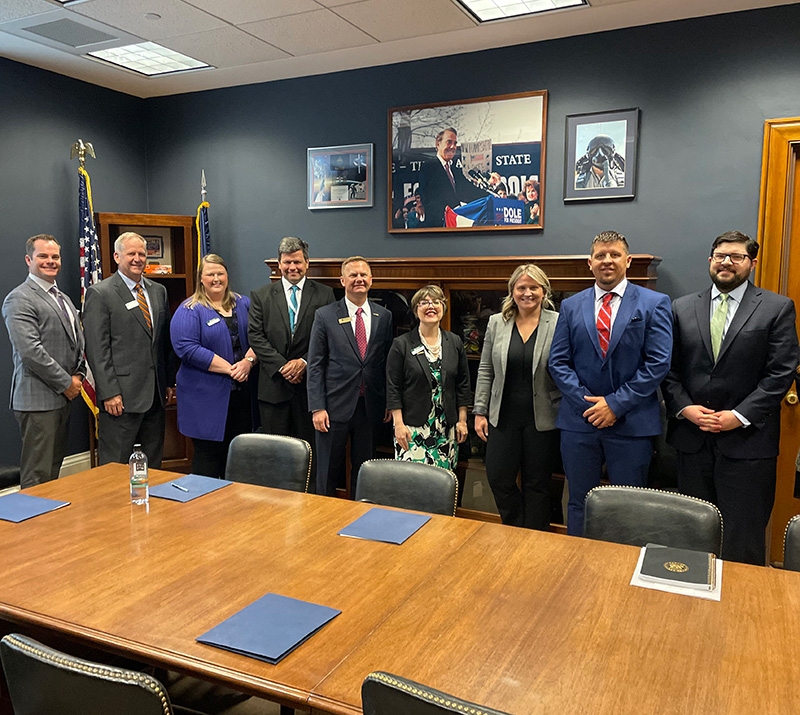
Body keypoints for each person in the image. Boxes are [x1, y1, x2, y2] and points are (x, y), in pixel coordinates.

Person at [661, 231, 799, 565]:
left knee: (742, 538)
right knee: (691, 536)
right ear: (710, 261)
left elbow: (781, 372)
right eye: (721, 255)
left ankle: (739, 611)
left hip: (748, 446)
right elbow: (668, 369)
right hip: (692, 442)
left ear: (751, 263)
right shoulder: (681, 307)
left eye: (736, 257)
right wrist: (685, 409)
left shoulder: (776, 308)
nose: (727, 262)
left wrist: (737, 416)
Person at [548, 230, 673, 535]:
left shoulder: (654, 303)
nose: (608, 261)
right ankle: (578, 560)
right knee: (579, 501)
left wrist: (615, 405)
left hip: (632, 424)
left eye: (615, 255)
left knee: (627, 505)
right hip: (580, 421)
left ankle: (621, 572)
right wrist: (589, 404)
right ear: (589, 263)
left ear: (627, 261)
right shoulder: (571, 306)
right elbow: (558, 362)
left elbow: (658, 363)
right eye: (601, 256)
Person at [473, 265, 561, 530]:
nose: (527, 293)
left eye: (533, 287)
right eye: (521, 287)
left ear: (543, 290)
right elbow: (486, 368)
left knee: (538, 484)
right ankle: (515, 527)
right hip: (503, 416)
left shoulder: (557, 323)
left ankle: (535, 536)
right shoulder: (496, 322)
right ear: (512, 291)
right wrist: (480, 410)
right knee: (499, 477)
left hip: (543, 419)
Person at [83, 232, 174, 467]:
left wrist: (167, 383)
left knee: (153, 463)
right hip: (120, 398)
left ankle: (152, 503)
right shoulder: (101, 293)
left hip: (154, 396)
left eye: (142, 254)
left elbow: (162, 342)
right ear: (116, 256)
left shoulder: (157, 291)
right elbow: (97, 348)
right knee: (115, 465)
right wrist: (109, 392)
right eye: (131, 253)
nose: (137, 258)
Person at [2, 234, 85, 488]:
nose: (50, 261)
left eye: (55, 256)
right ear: (29, 259)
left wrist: (79, 376)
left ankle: (49, 524)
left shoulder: (63, 298)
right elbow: (30, 352)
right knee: (37, 475)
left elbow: (76, 342)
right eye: (43, 256)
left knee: (51, 472)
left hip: (62, 397)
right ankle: (31, 526)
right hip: (38, 399)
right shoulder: (19, 298)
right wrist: (65, 383)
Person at [307, 256, 393, 497]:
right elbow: (315, 365)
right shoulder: (324, 315)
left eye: (363, 275)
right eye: (353, 275)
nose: (359, 280)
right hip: (332, 408)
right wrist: (317, 407)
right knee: (327, 472)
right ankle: (323, 518)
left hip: (370, 407)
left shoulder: (383, 316)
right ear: (342, 280)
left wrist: (388, 401)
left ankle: (359, 517)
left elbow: (386, 362)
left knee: (365, 470)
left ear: (371, 280)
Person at [248, 237, 334, 463]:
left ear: (307, 262)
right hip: (273, 389)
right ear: (279, 263)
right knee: (275, 457)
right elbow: (255, 336)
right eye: (287, 262)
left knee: (309, 456)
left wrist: (304, 363)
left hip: (309, 391)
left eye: (297, 262)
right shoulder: (261, 296)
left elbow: (329, 338)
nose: (292, 267)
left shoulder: (324, 295)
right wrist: (283, 366)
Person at [170, 254, 257, 478]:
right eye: (210, 274)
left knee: (239, 456)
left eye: (220, 274)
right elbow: (186, 348)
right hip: (204, 398)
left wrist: (247, 362)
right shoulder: (189, 309)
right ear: (201, 278)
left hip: (242, 397)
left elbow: (261, 337)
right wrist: (231, 369)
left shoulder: (244, 303)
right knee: (209, 458)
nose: (216, 279)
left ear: (227, 276)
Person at [386, 285, 471, 471]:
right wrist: (398, 425)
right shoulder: (402, 344)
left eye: (436, 302)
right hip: (412, 428)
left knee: (442, 484)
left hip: (446, 428)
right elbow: (393, 388)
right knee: (413, 483)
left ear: (443, 308)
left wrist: (462, 420)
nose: (430, 306)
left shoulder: (454, 342)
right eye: (424, 302)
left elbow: (463, 384)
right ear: (416, 310)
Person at [418, 127, 487, 227]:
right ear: (438, 144)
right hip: (439, 225)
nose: (453, 146)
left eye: (455, 143)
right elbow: (427, 198)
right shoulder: (429, 167)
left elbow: (470, 192)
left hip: (456, 224)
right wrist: (448, 212)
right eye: (449, 142)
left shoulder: (455, 170)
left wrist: (491, 196)